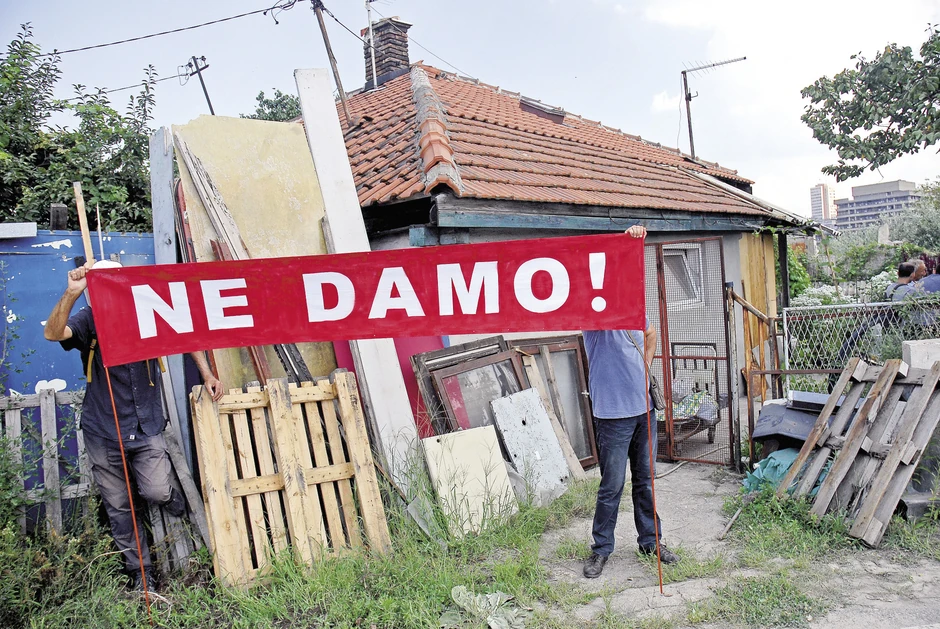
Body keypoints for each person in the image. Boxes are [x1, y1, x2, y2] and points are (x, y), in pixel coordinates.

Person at [44, 260, 224, 591]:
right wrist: (72, 293)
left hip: (146, 424)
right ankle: (141, 571)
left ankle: (164, 496)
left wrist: (208, 374)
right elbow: (53, 333)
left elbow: (186, 335)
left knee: (155, 489)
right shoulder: (90, 318)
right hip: (103, 429)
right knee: (119, 506)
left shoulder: (150, 310)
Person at [581, 225, 678, 580]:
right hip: (612, 415)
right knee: (611, 486)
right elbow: (594, 271)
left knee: (645, 481)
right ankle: (601, 549)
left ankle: (651, 542)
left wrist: (646, 366)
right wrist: (620, 243)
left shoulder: (634, 308)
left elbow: (650, 334)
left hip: (644, 410)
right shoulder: (591, 315)